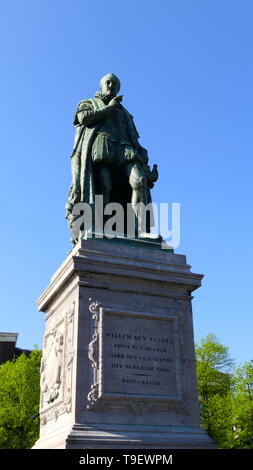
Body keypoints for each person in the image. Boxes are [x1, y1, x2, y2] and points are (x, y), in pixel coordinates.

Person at [66, 73, 157, 245]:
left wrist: (145, 161)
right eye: (107, 82)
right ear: (101, 85)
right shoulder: (88, 103)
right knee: (104, 188)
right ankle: (103, 228)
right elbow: (84, 118)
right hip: (102, 146)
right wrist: (110, 108)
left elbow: (134, 139)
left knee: (140, 181)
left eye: (114, 84)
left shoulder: (125, 113)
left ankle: (143, 231)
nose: (110, 86)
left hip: (125, 149)